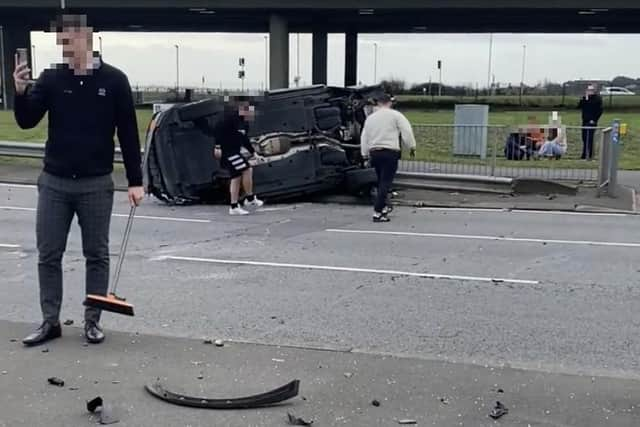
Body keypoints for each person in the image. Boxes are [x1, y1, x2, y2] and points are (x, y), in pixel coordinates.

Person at [12, 14, 144, 346]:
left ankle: (92, 321)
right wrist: (19, 91)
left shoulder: (115, 81)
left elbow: (128, 132)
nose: (67, 46)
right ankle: (50, 321)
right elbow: (27, 121)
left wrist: (135, 180)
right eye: (62, 41)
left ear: (87, 37)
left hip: (96, 183)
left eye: (71, 39)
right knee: (48, 254)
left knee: (96, 254)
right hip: (55, 181)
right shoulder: (52, 78)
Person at [360, 93, 416, 222]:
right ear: (389, 103)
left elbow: (365, 136)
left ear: (378, 103)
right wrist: (412, 146)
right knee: (386, 182)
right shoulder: (396, 115)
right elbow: (406, 131)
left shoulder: (370, 118)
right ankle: (378, 211)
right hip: (390, 152)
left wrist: (364, 154)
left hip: (375, 152)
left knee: (380, 181)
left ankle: (384, 206)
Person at [211, 99, 264, 215]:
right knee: (247, 169)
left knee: (236, 177)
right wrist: (217, 146)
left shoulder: (244, 123)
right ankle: (249, 199)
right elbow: (218, 129)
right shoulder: (231, 118)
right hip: (228, 152)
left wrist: (254, 153)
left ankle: (234, 206)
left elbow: (244, 140)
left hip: (234, 151)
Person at [578, 84, 603, 160]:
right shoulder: (585, 98)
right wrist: (584, 98)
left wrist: (594, 120)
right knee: (584, 137)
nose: (589, 91)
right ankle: (584, 154)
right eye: (588, 90)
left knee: (590, 138)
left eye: (591, 90)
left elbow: (600, 110)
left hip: (591, 121)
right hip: (585, 120)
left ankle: (590, 155)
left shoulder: (597, 99)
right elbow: (580, 106)